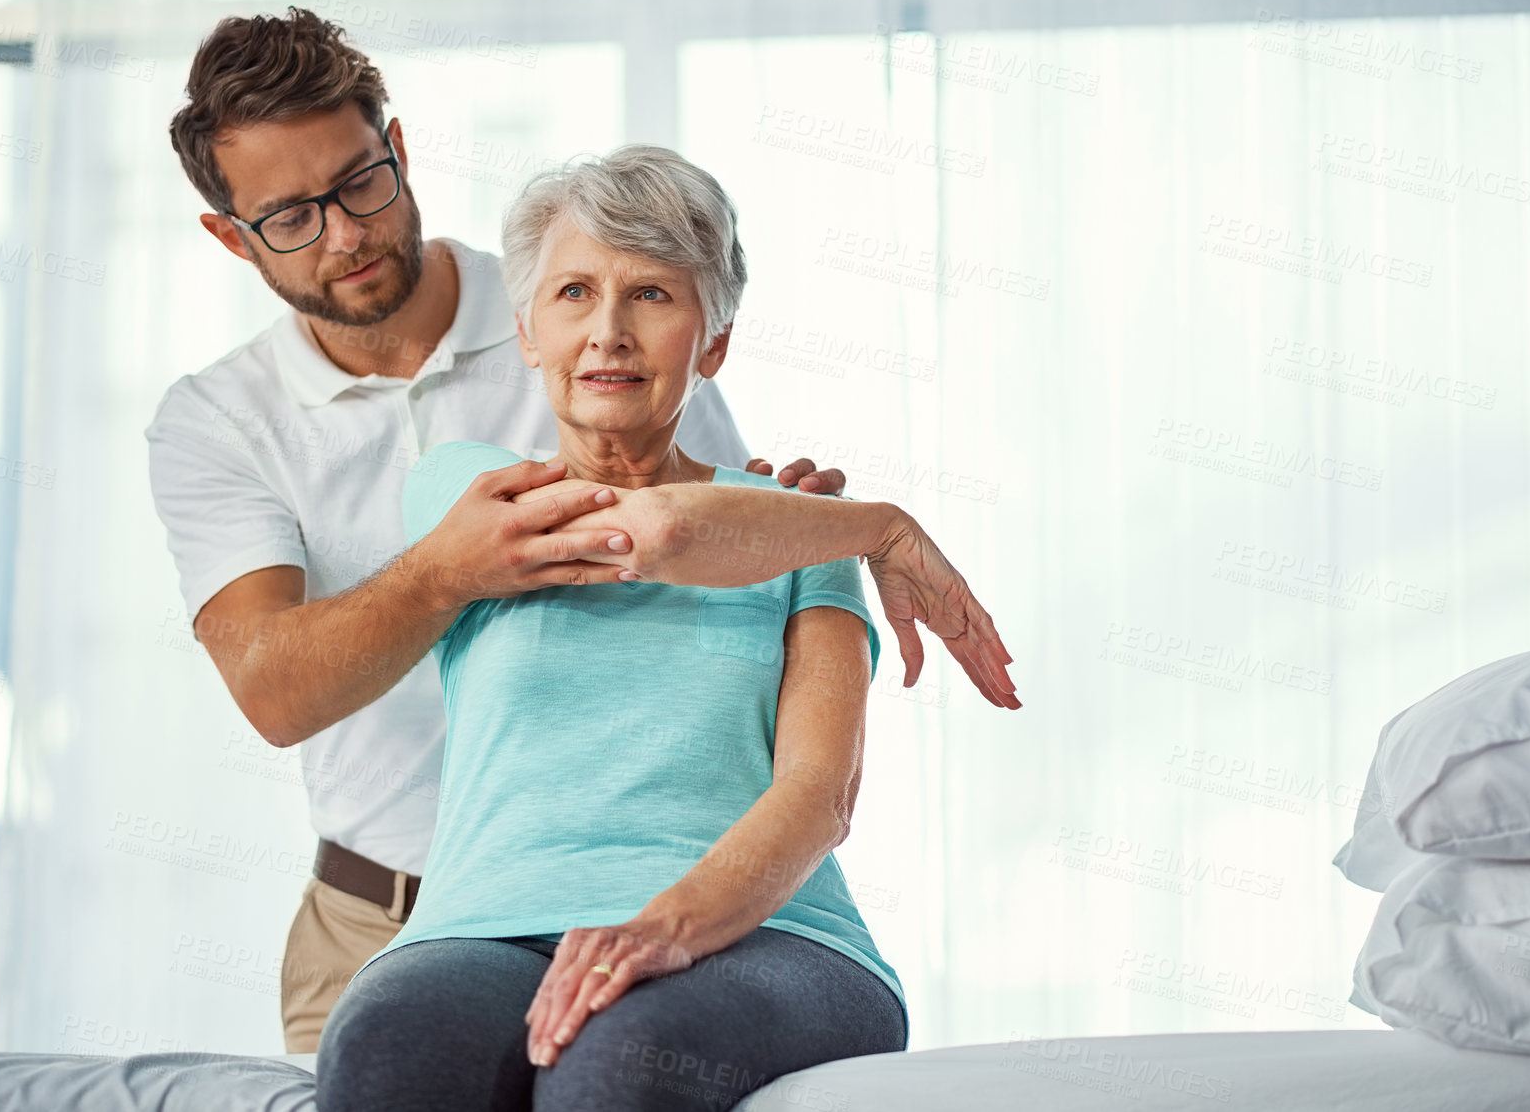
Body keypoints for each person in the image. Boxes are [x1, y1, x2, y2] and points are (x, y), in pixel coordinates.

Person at [147, 7, 859, 1052]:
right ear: (230, 236)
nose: (345, 233)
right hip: (377, 920)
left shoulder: (581, 309)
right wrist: (446, 575)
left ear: (396, 149)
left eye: (357, 184)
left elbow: (716, 561)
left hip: (632, 888)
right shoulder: (218, 422)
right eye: (291, 216)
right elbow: (275, 689)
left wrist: (809, 525)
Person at [315, 145, 1017, 1112]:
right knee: (388, 1053)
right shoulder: (468, 491)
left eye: (651, 294)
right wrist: (881, 526)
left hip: (770, 937)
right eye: (572, 292)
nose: (607, 332)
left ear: (713, 341)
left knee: (618, 1069)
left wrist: (666, 927)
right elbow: (644, 532)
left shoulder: (799, 535)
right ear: (527, 331)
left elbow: (819, 794)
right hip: (481, 927)